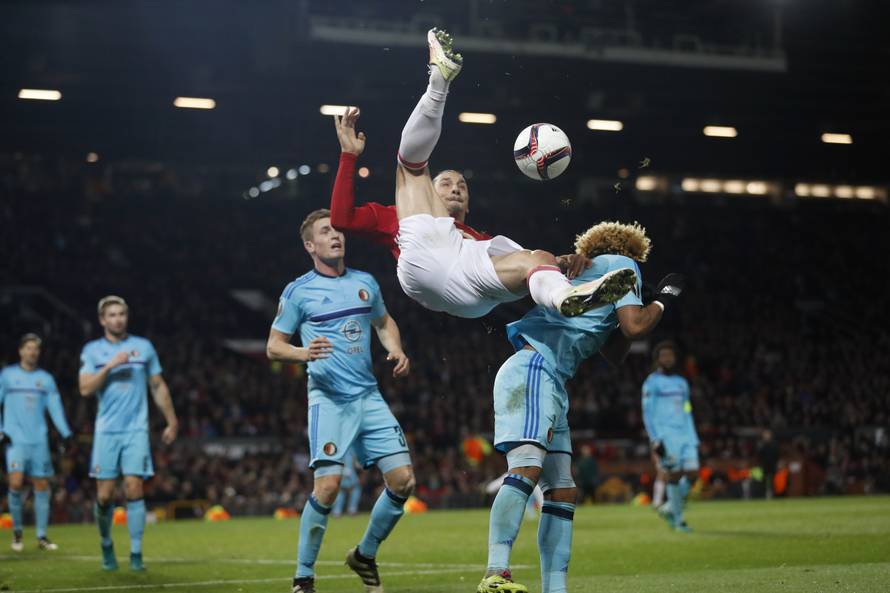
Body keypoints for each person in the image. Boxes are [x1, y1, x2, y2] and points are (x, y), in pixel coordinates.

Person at [330, 28, 636, 320]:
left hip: (474, 290)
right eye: (446, 182)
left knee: (537, 257)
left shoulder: (480, 241)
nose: (456, 188)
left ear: (469, 204)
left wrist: (563, 262)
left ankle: (565, 297)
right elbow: (341, 220)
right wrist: (348, 156)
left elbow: (520, 263)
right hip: (430, 267)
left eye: (462, 185)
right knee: (413, 170)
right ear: (429, 195)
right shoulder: (394, 216)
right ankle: (439, 84)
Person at [478, 221, 685, 593]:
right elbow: (636, 327)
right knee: (527, 469)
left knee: (561, 490)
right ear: (632, 251)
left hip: (549, 377)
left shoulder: (598, 274)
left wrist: (640, 303)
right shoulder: (623, 265)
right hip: (535, 368)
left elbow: (617, 350)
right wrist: (662, 301)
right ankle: (496, 573)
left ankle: (554, 589)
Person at [266, 208, 415, 593]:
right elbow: (274, 346)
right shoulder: (298, 291)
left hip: (368, 395)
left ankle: (364, 555)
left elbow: (383, 322)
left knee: (403, 481)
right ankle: (303, 578)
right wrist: (303, 353)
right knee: (328, 488)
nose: (336, 235)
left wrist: (395, 348)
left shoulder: (365, 282)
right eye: (325, 231)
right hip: (328, 400)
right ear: (310, 245)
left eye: (338, 230)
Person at [79, 295, 179, 571]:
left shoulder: (143, 347)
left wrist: (171, 420)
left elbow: (157, 386)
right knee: (105, 495)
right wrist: (111, 365)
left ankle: (136, 554)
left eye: (121, 314)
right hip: (107, 432)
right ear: (102, 320)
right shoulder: (92, 351)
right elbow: (85, 388)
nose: (117, 319)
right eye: (111, 315)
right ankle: (106, 544)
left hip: (136, 430)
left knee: (134, 486)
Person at [0, 333, 73, 552]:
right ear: (21, 351)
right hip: (16, 439)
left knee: (42, 486)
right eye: (28, 348)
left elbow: (55, 408)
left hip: (39, 440)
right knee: (15, 483)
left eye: (36, 349)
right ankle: (17, 531)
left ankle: (41, 536)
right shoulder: (7, 375)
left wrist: (65, 433)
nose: (32, 352)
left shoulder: (46, 379)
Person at [642, 341, 699, 532]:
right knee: (673, 475)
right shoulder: (652, 382)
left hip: (686, 434)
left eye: (670, 355)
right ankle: (678, 519)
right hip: (666, 435)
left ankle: (668, 507)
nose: (667, 358)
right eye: (663, 355)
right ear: (658, 359)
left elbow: (687, 409)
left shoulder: (681, 382)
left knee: (693, 473)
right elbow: (647, 412)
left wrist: (693, 436)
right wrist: (655, 438)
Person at [332, 448, 362, 517]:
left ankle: (337, 511)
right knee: (354, 488)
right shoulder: (350, 448)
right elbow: (355, 462)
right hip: (346, 472)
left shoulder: (346, 447)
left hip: (342, 472)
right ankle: (352, 509)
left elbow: (355, 462)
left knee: (341, 491)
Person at [757, 430, 779, 499]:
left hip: (772, 464)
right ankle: (762, 495)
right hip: (764, 465)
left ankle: (773, 495)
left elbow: (777, 454)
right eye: (765, 435)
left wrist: (776, 463)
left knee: (773, 480)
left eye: (768, 434)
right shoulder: (761, 444)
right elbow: (759, 455)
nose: (766, 436)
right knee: (763, 480)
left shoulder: (774, 444)